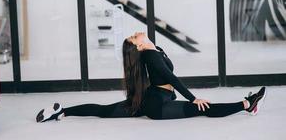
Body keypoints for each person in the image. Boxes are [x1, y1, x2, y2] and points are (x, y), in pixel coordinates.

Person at [36, 32, 267, 122]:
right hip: (156, 106)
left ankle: (63, 111)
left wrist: (151, 44)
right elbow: (172, 77)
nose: (137, 34)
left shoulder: (152, 51)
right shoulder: (150, 56)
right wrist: (193, 97)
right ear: (138, 47)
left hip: (156, 97)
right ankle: (247, 104)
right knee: (202, 109)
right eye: (135, 38)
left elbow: (168, 73)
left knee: (105, 111)